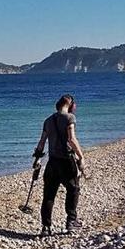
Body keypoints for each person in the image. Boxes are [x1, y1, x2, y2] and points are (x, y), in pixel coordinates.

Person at [33, 94, 85, 236]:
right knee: (73, 189)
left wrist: (37, 159)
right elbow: (72, 139)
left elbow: (42, 142)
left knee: (49, 195)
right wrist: (81, 157)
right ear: (70, 105)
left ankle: (46, 227)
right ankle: (71, 222)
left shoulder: (48, 120)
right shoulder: (70, 118)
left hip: (52, 162)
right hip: (66, 161)